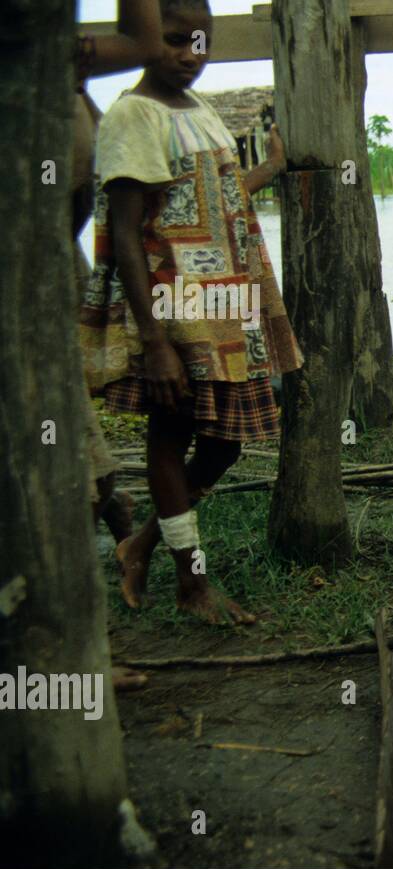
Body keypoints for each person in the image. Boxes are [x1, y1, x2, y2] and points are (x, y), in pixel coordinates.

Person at [80, 0, 302, 623]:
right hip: (174, 309)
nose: (188, 56)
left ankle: (141, 543)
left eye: (199, 43)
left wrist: (268, 170)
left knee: (227, 442)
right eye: (175, 41)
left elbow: (213, 196)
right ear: (149, 39)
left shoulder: (200, 112)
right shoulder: (133, 116)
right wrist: (154, 342)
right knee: (171, 435)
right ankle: (192, 581)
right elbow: (125, 234)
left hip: (225, 309)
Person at [74, 2, 165, 548]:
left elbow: (143, 42)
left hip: (51, 258)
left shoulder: (49, 63)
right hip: (48, 256)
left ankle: (98, 501)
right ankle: (104, 499)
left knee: (61, 418)